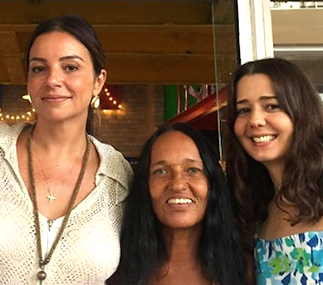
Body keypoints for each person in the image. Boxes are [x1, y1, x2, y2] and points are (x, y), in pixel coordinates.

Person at [0, 14, 133, 285]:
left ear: (98, 81)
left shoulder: (119, 177)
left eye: (70, 67)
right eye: (39, 68)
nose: (53, 79)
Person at [112, 123, 248, 285]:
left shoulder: (244, 268)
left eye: (192, 170)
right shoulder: (114, 268)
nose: (177, 184)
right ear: (145, 185)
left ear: (212, 182)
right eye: (161, 171)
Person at [226, 57, 323, 284]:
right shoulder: (252, 207)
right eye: (243, 110)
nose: (255, 120)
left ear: (300, 111)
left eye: (272, 106)